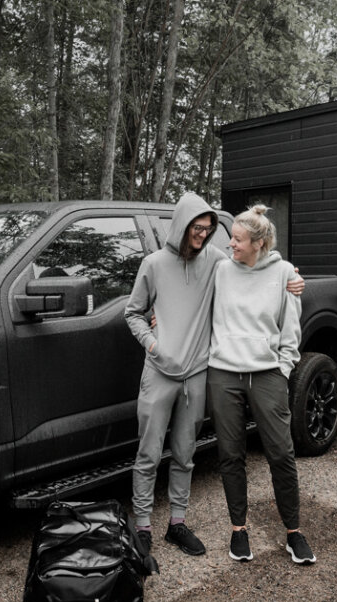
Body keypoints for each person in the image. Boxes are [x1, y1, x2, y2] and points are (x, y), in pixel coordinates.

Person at [124, 194, 303, 556]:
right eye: (198, 228)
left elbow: (258, 265)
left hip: (196, 376)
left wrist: (294, 278)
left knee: (185, 455)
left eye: (208, 230)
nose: (204, 236)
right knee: (148, 454)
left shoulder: (217, 263)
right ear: (182, 225)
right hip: (159, 372)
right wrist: (153, 344)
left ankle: (177, 523)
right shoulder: (154, 264)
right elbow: (133, 313)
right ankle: (142, 526)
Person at [207, 204, 316, 565]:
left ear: (258, 242)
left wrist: (283, 369)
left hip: (267, 374)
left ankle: (293, 532)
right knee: (230, 455)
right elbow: (184, 274)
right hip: (223, 373)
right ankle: (238, 530)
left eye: (237, 239)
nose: (230, 244)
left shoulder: (284, 273)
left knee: (281, 454)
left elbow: (291, 330)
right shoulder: (221, 269)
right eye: (231, 238)